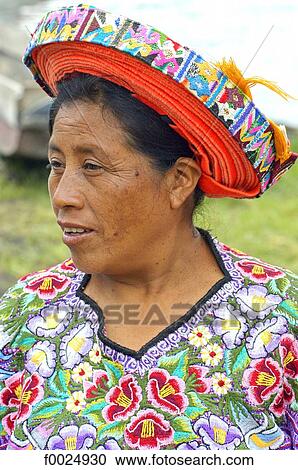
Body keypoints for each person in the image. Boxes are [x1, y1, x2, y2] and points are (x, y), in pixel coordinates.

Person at [0, 3, 297, 451]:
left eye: (94, 166)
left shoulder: (280, 323)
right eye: (56, 164)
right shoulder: (21, 319)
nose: (63, 195)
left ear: (179, 181)